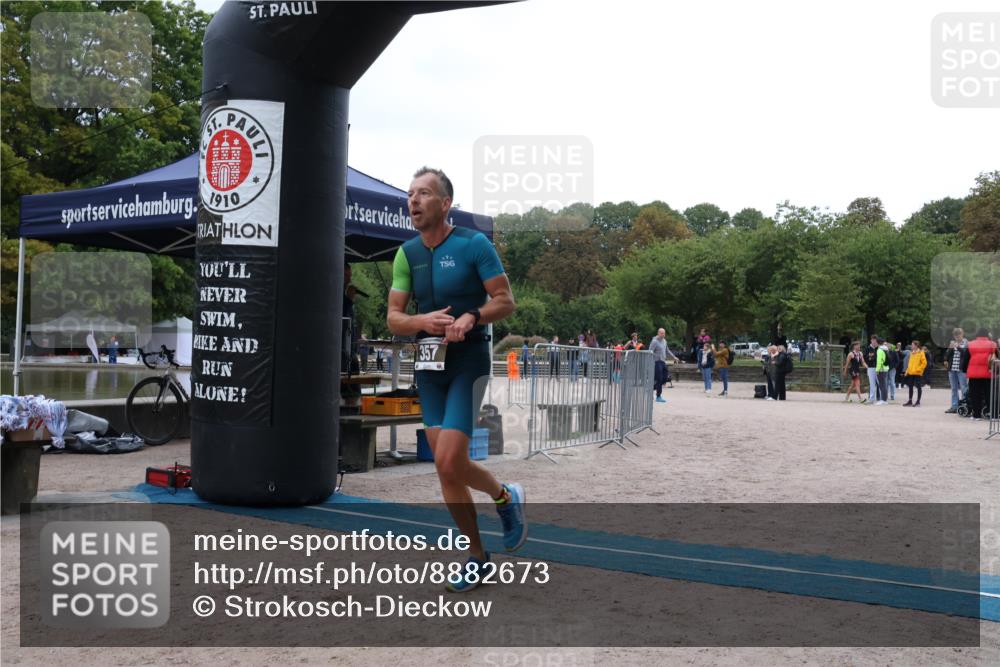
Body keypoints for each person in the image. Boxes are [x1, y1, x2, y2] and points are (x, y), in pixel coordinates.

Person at [387, 166, 525, 592]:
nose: (413, 200)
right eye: (411, 194)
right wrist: (419, 320)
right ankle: (478, 554)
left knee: (448, 460)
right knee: (448, 469)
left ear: (445, 204)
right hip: (429, 367)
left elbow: (505, 301)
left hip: (467, 361)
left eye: (424, 193)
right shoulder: (406, 253)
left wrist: (472, 314)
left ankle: (502, 499)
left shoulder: (473, 244)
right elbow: (393, 318)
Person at [962, 328, 998, 420]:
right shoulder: (993, 344)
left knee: (975, 394)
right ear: (987, 335)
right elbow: (997, 358)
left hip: (974, 374)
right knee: (989, 394)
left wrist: (964, 370)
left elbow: (966, 359)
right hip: (988, 373)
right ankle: (993, 415)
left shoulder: (970, 344)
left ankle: (976, 415)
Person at [649, 328, 679, 403]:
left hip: (663, 361)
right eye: (661, 333)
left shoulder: (664, 341)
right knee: (659, 379)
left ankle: (650, 389)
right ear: (658, 333)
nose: (663, 335)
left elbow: (667, 350)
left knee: (665, 378)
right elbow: (650, 351)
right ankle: (658, 396)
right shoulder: (654, 341)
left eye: (664, 333)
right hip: (656, 361)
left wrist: (674, 357)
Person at [945, 327, 969, 414]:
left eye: (958, 335)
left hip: (961, 369)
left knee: (964, 388)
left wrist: (958, 347)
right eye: (955, 336)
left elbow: (966, 355)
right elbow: (947, 356)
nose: (957, 337)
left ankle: (965, 406)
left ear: (962, 334)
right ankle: (954, 406)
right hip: (952, 369)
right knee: (953, 388)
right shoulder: (952, 343)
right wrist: (950, 349)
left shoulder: (966, 343)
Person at [902, 340, 927, 407]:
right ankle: (910, 401)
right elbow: (910, 363)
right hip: (911, 372)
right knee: (910, 386)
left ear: (916, 346)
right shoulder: (912, 353)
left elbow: (924, 363)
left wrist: (918, 369)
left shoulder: (921, 353)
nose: (911, 346)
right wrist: (907, 371)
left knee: (918, 387)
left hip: (917, 373)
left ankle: (918, 401)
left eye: (912, 345)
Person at [864, 335, 880, 403]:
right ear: (871, 340)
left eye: (875, 340)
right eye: (873, 340)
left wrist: (872, 357)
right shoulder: (868, 348)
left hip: (878, 367)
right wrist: (871, 357)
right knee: (872, 384)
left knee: (880, 383)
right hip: (870, 367)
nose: (874, 342)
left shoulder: (879, 348)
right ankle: (871, 398)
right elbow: (866, 357)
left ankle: (881, 398)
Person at [874, 338, 890, 405]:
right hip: (886, 368)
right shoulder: (886, 349)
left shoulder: (879, 350)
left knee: (882, 385)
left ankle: (883, 400)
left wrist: (877, 370)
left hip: (881, 369)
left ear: (877, 343)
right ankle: (885, 399)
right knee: (884, 385)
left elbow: (879, 361)